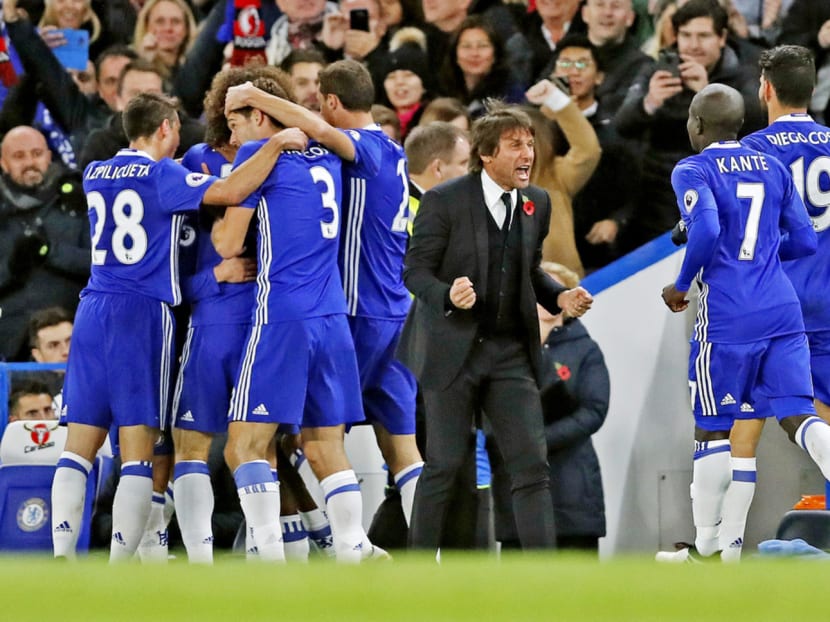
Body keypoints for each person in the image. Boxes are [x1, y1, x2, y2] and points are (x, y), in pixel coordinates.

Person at [50, 90, 293, 562]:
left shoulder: (95, 173)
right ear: (164, 128)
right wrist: (275, 145)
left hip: (93, 307)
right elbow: (230, 192)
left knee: (78, 445)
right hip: (142, 314)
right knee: (138, 451)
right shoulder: (163, 174)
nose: (181, 138)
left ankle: (62, 553)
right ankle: (122, 567)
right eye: (177, 128)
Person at [224, 59, 427, 542]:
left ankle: (318, 540)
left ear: (332, 103)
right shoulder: (395, 151)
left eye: (318, 106)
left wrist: (256, 96)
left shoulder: (355, 149)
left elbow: (316, 128)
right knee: (402, 448)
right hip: (397, 312)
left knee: (307, 438)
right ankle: (429, 554)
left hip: (353, 311)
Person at [397, 101, 594, 551]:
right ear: (486, 154)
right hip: (450, 349)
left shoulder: (538, 203)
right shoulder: (443, 201)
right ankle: (419, 570)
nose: (527, 154)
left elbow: (530, 271)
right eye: (514, 146)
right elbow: (416, 271)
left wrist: (559, 296)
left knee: (531, 467)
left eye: (529, 144)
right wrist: (447, 293)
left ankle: (541, 581)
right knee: (443, 465)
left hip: (508, 352)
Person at [658, 82, 830, 562]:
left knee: (713, 429)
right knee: (802, 418)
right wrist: (767, 257)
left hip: (729, 318)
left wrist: (681, 284)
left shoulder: (692, 168)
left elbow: (708, 227)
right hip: (782, 310)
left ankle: (710, 552)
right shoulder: (771, 165)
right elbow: (805, 239)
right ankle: (717, 554)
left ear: (696, 124)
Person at [212, 71, 379, 563]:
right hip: (332, 315)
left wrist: (222, 256)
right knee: (326, 447)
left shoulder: (254, 157)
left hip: (281, 315)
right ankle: (353, 550)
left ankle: (268, 559)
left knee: (242, 446)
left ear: (259, 115)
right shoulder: (329, 155)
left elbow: (226, 243)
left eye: (234, 121)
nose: (232, 135)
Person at [615, 0, 765, 249]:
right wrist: (650, 102)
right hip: (657, 198)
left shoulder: (743, 74)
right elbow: (621, 125)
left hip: (719, 196)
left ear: (722, 37)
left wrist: (709, 95)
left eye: (703, 36)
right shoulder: (656, 70)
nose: (694, 45)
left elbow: (756, 121)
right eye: (686, 35)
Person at [489, 262, 609, 554]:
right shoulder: (500, 349)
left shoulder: (585, 349)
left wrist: (541, 440)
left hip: (572, 484)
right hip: (515, 480)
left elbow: (594, 410)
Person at [742, 45, 830, 426]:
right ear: (811, 91)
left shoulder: (748, 153)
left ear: (765, 89)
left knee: (748, 414)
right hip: (827, 297)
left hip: (775, 303)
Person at [0, 125, 88, 362]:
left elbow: (100, 264)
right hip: (10, 343)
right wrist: (12, 269)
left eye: (36, 153)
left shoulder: (77, 202)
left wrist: (50, 252)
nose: (30, 162)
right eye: (19, 156)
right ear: (3, 162)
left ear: (49, 157)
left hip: (72, 338)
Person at [523, 75, 601, 277]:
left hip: (564, 289)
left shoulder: (554, 174)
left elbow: (588, 150)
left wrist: (556, 100)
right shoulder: (483, 182)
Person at [79, 58, 205, 168]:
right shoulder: (101, 144)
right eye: (135, 95)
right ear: (118, 100)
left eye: (153, 94)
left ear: (167, 99)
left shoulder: (194, 138)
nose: (145, 103)